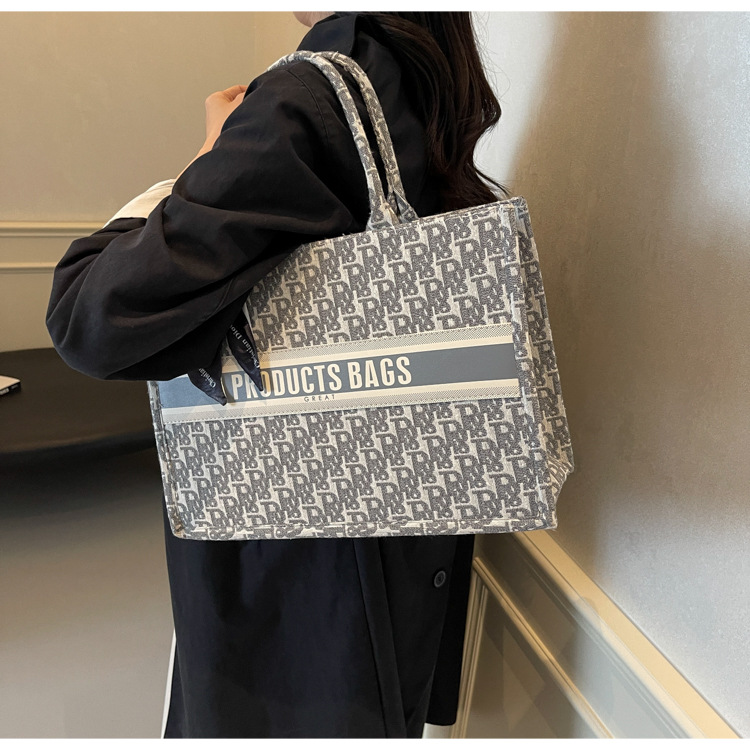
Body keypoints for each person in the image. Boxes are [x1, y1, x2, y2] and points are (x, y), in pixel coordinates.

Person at [46, 11, 505, 739]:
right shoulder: (415, 77)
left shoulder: (307, 101)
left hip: (293, 579)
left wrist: (202, 162)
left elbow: (88, 316)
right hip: (389, 553)